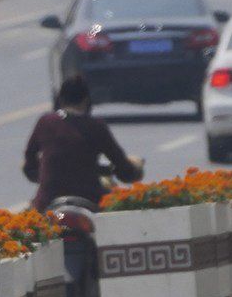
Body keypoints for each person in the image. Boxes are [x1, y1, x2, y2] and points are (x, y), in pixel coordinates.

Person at [23, 75, 144, 211]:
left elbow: (29, 161)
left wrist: (41, 174)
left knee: (28, 218)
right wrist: (133, 169)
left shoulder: (45, 122)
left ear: (60, 100)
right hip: (90, 199)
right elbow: (121, 165)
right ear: (86, 101)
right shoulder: (96, 126)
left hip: (47, 201)